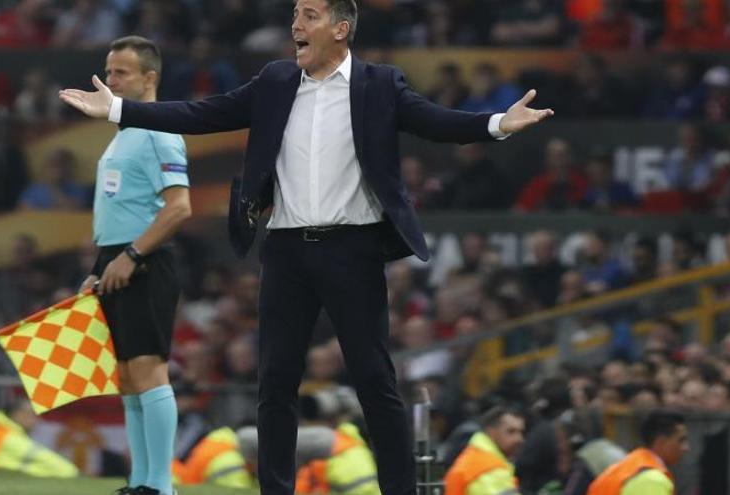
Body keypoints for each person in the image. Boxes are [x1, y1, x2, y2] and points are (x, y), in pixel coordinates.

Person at [58, 1, 552, 493]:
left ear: (340, 29)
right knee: (275, 384)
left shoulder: (379, 84)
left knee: (375, 383)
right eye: (295, 13)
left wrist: (496, 124)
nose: (296, 23)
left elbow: (435, 121)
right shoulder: (275, 81)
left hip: (353, 249)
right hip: (286, 251)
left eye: (309, 15)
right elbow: (203, 113)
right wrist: (119, 109)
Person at [75, 35, 192, 495]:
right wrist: (101, 264)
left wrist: (131, 255)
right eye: (109, 69)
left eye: (121, 72)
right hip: (116, 258)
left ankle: (161, 486)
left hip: (146, 260)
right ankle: (140, 482)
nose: (111, 79)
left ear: (149, 79)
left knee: (147, 368)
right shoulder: (123, 135)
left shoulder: (159, 130)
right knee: (125, 375)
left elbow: (179, 207)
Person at [586, 410, 689, 495]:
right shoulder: (651, 480)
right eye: (681, 440)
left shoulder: (632, 466)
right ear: (660, 442)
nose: (686, 448)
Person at [0, 398, 78, 477]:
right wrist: (75, 473)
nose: (37, 419)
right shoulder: (13, 439)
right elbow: (65, 469)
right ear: (19, 414)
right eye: (32, 414)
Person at [443, 406, 525, 495]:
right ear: (491, 431)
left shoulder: (477, 459)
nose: (519, 439)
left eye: (521, 432)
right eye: (511, 431)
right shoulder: (490, 471)